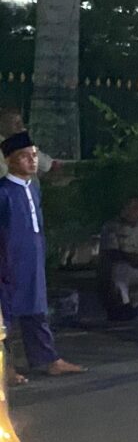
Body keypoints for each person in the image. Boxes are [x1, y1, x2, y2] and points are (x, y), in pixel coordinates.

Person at [0, 131, 86, 383]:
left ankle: (48, 360)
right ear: (10, 161)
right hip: (8, 262)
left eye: (34, 155)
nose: (32, 161)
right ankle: (6, 368)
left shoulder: (33, 189)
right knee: (5, 318)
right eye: (24, 156)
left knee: (36, 310)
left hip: (33, 260)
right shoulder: (3, 192)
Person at [0, 109, 56, 176]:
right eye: (16, 123)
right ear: (2, 124)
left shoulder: (19, 141)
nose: (21, 126)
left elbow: (46, 164)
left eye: (21, 122)